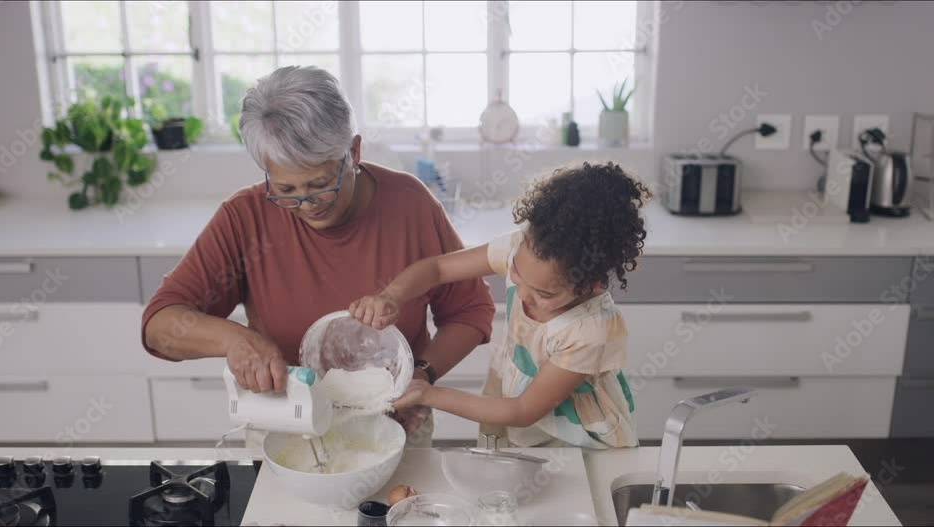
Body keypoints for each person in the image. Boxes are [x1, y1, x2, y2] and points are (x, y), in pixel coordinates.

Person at [141, 66, 494, 446]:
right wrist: (234, 340)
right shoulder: (244, 216)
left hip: (393, 430)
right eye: (285, 189)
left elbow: (470, 311)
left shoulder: (409, 204)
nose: (306, 204)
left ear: (353, 152)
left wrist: (423, 373)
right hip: (286, 432)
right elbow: (159, 327)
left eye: (321, 185)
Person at [350, 162, 649, 448]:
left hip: (575, 440)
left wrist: (429, 394)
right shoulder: (523, 249)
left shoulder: (590, 331)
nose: (522, 295)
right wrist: (391, 296)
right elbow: (437, 270)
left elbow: (522, 410)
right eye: (516, 274)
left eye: (544, 294)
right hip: (512, 411)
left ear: (592, 284)